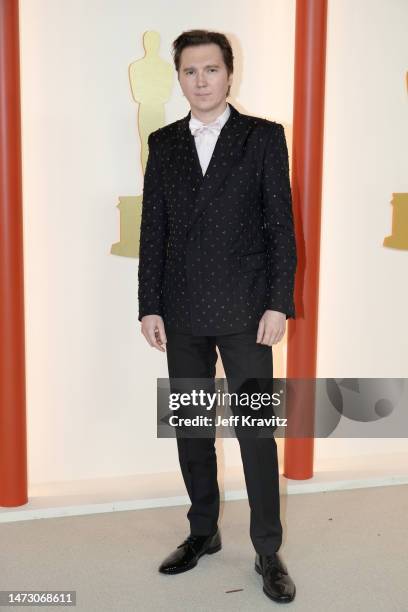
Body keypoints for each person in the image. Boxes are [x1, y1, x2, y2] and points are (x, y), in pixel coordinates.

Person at [138, 29, 297, 604]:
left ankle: (267, 548)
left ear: (231, 74)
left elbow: (281, 226)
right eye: (189, 72)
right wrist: (148, 305)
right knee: (192, 427)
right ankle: (202, 532)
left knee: (256, 432)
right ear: (179, 77)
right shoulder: (164, 143)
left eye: (210, 70)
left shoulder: (262, 138)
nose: (200, 81)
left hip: (248, 308)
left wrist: (280, 301)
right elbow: (152, 229)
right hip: (180, 310)